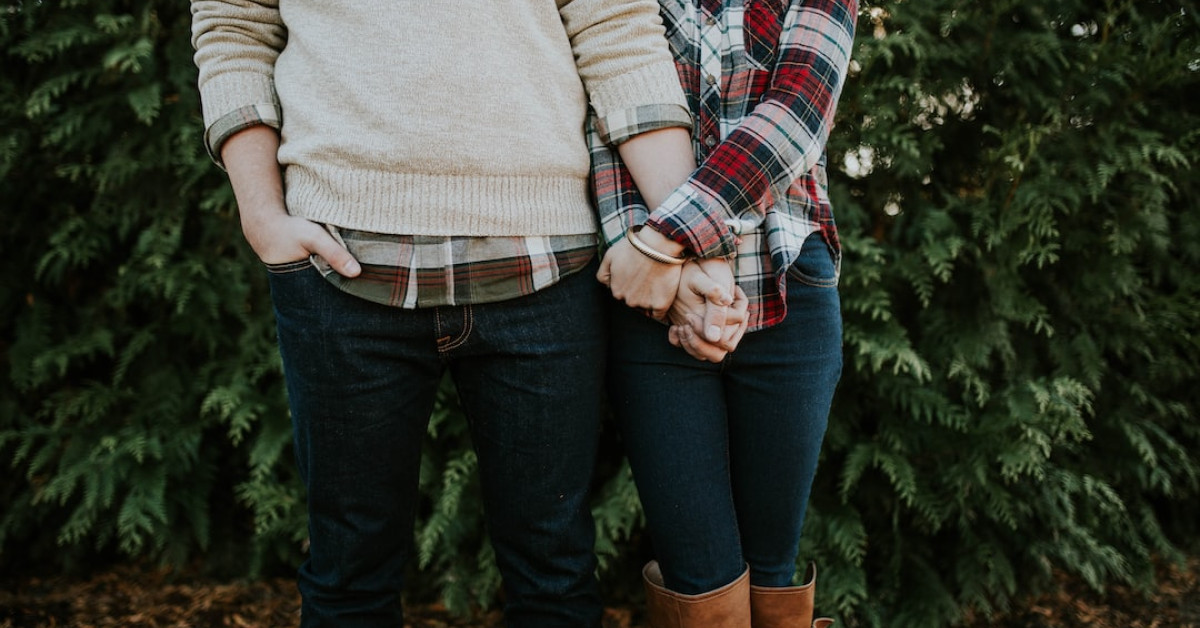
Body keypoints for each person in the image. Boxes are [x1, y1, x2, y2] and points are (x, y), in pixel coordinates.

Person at [189, 1, 697, 626]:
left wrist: (683, 231)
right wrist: (262, 216)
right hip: (339, 264)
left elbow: (616, 30)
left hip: (545, 266)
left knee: (554, 575)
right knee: (348, 576)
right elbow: (233, 28)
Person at [590, 0, 859, 626]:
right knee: (698, 579)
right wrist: (665, 268)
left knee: (772, 574)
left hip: (787, 284)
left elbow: (797, 115)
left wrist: (668, 241)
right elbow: (604, 116)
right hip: (655, 303)